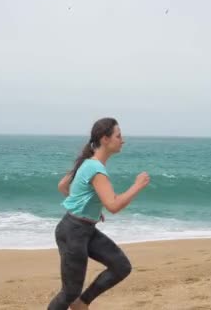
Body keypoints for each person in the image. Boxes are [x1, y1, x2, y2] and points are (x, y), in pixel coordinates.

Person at [47, 117, 150, 310]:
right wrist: (137, 186)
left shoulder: (87, 162)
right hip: (73, 232)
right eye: (119, 136)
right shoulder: (95, 168)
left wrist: (89, 210)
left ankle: (82, 304)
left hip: (83, 228)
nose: (123, 140)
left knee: (121, 266)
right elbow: (113, 206)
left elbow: (62, 186)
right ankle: (77, 302)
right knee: (69, 292)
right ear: (105, 139)